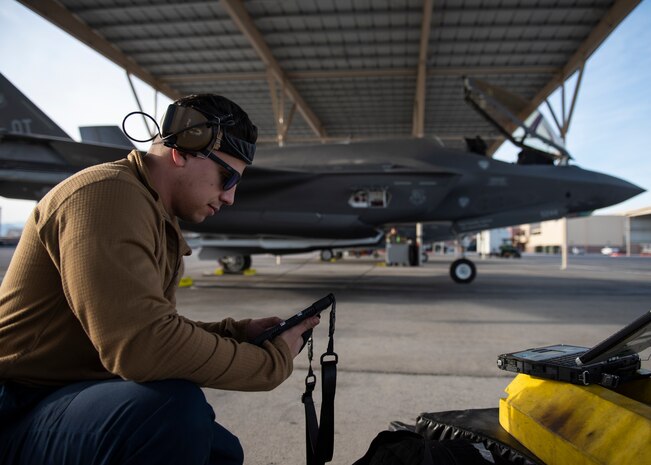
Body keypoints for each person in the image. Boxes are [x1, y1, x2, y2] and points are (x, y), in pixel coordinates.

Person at [0, 94, 320, 465]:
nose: (231, 197)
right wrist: (270, 362)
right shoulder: (106, 195)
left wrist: (234, 332)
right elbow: (144, 349)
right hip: (17, 402)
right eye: (227, 177)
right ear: (182, 151)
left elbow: (147, 326)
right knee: (171, 415)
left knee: (221, 451)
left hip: (67, 390)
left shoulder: (150, 211)